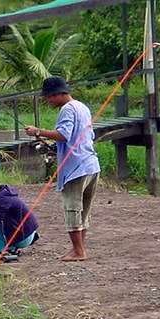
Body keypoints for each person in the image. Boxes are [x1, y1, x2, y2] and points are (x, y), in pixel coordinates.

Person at [25, 76, 100, 262]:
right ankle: (78, 249)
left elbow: (64, 135)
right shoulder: (82, 107)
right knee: (84, 210)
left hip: (76, 168)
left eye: (49, 97)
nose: (48, 101)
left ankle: (79, 251)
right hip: (91, 164)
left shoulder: (66, 109)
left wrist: (38, 132)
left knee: (72, 208)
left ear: (58, 94)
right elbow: (82, 136)